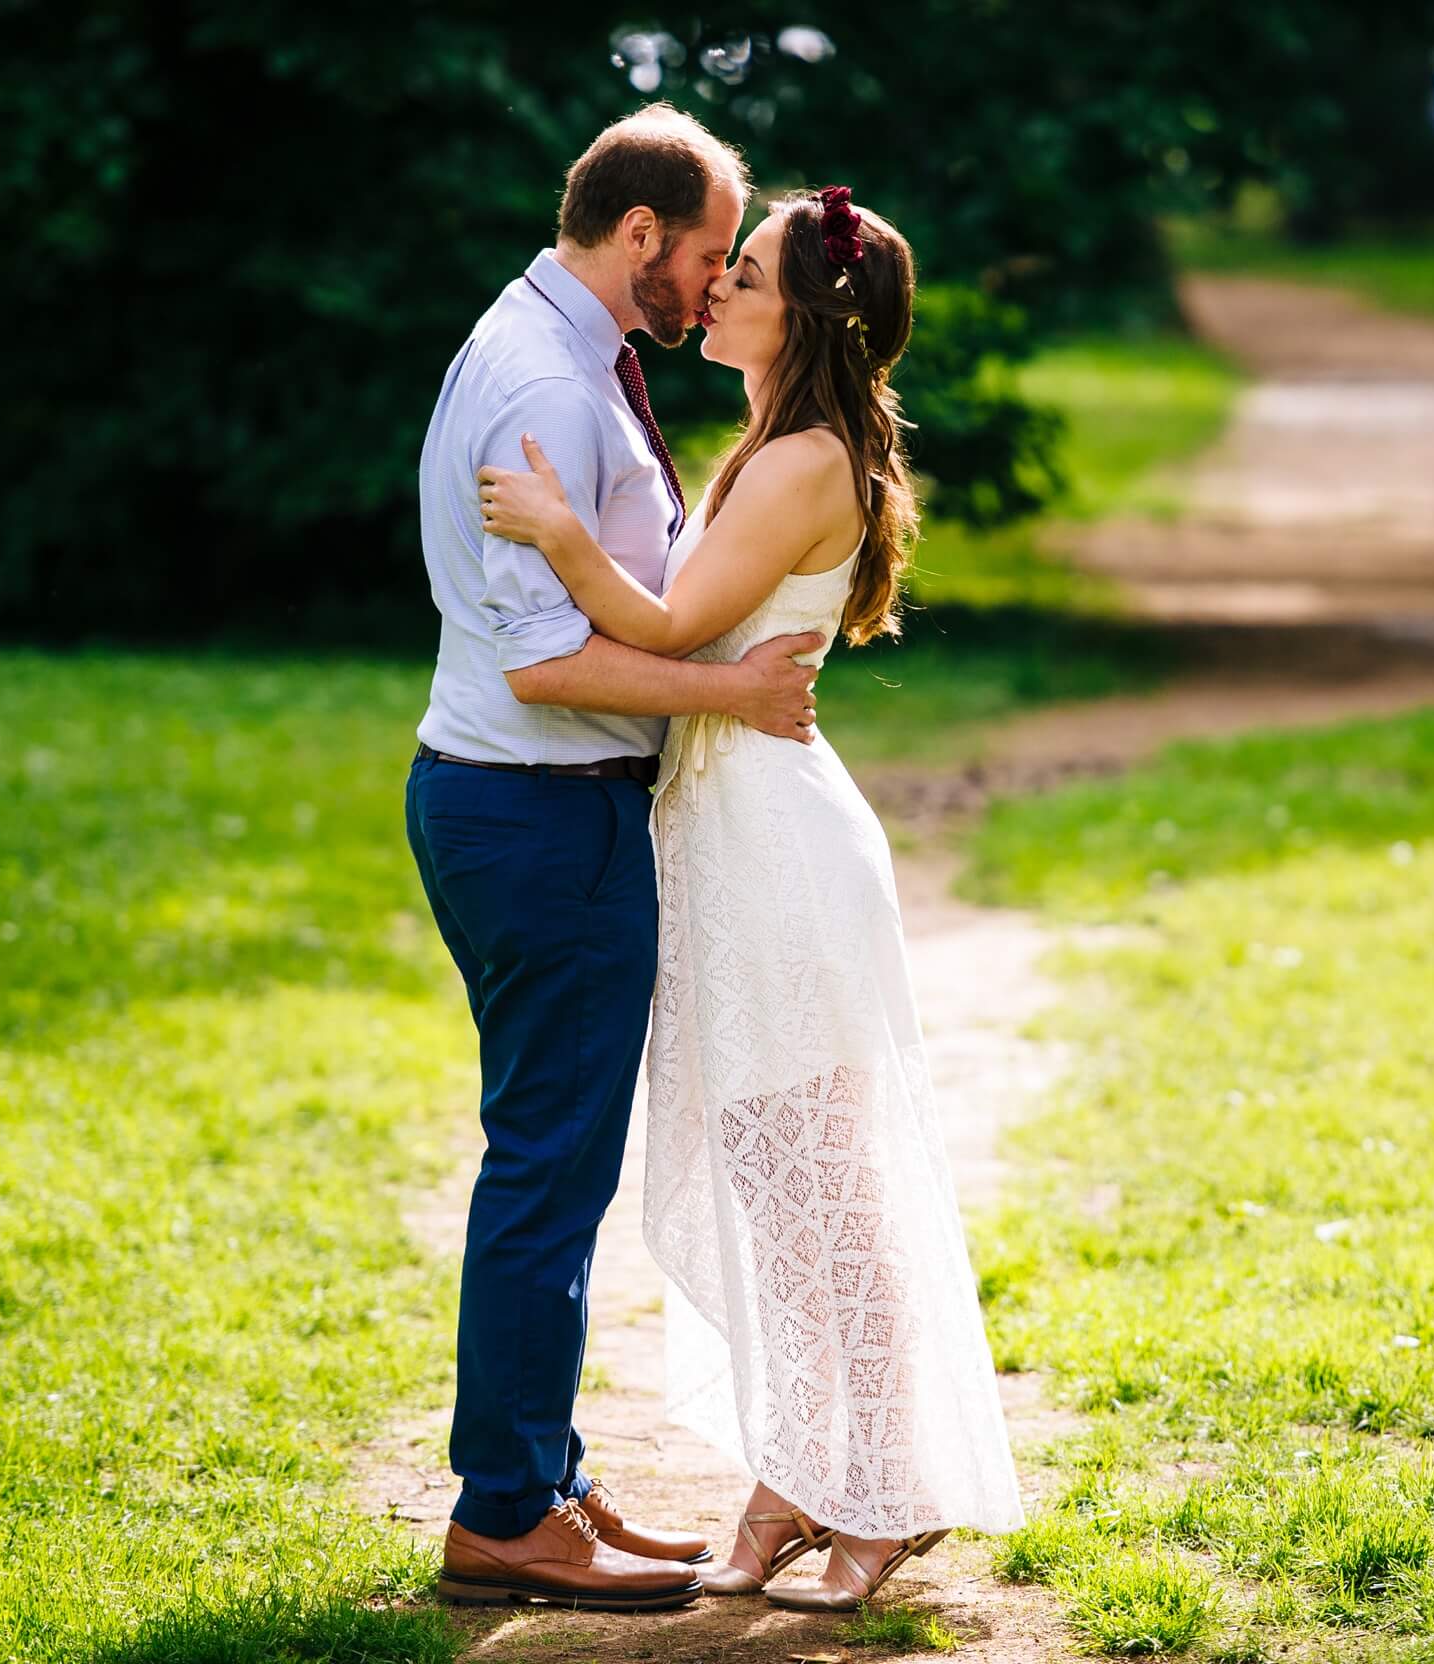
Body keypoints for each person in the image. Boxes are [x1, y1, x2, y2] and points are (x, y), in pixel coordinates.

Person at [476, 183, 1024, 1611]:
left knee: (822, 1181)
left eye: (751, 273)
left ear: (809, 313)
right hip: (725, 827)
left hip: (774, 842)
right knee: (775, 1180)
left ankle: (887, 1494)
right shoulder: (774, 446)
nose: (716, 286)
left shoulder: (801, 462)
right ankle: (796, 1474)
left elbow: (663, 625)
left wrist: (553, 527)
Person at [406, 104, 826, 1612]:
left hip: (549, 812)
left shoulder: (576, 355)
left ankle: (544, 1473)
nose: (715, 285)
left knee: (562, 1161)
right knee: (548, 1166)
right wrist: (737, 695)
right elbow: (542, 666)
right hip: (536, 811)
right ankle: (507, 1511)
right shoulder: (542, 382)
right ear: (641, 234)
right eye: (712, 253)